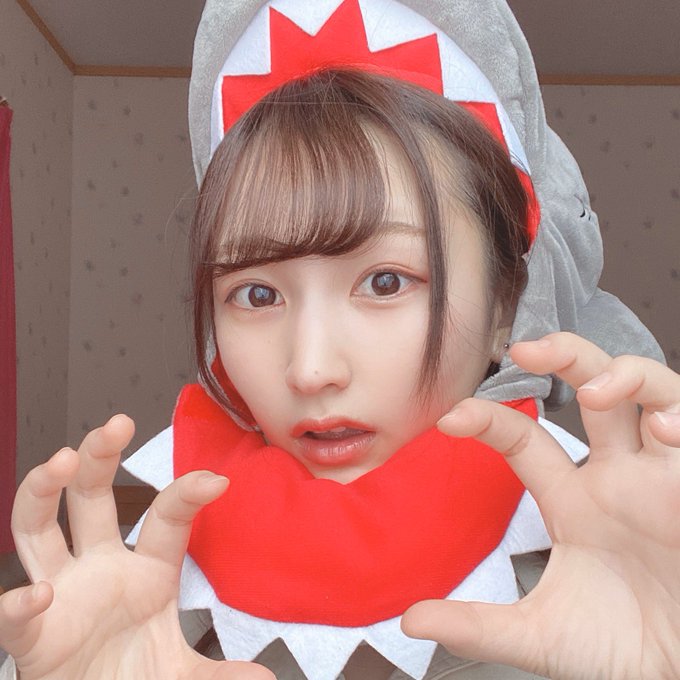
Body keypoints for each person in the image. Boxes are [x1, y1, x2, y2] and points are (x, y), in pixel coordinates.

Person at [1, 1, 678, 678]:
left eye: (385, 282)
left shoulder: (624, 596)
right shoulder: (137, 606)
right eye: (257, 295)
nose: (311, 369)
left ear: (507, 305)